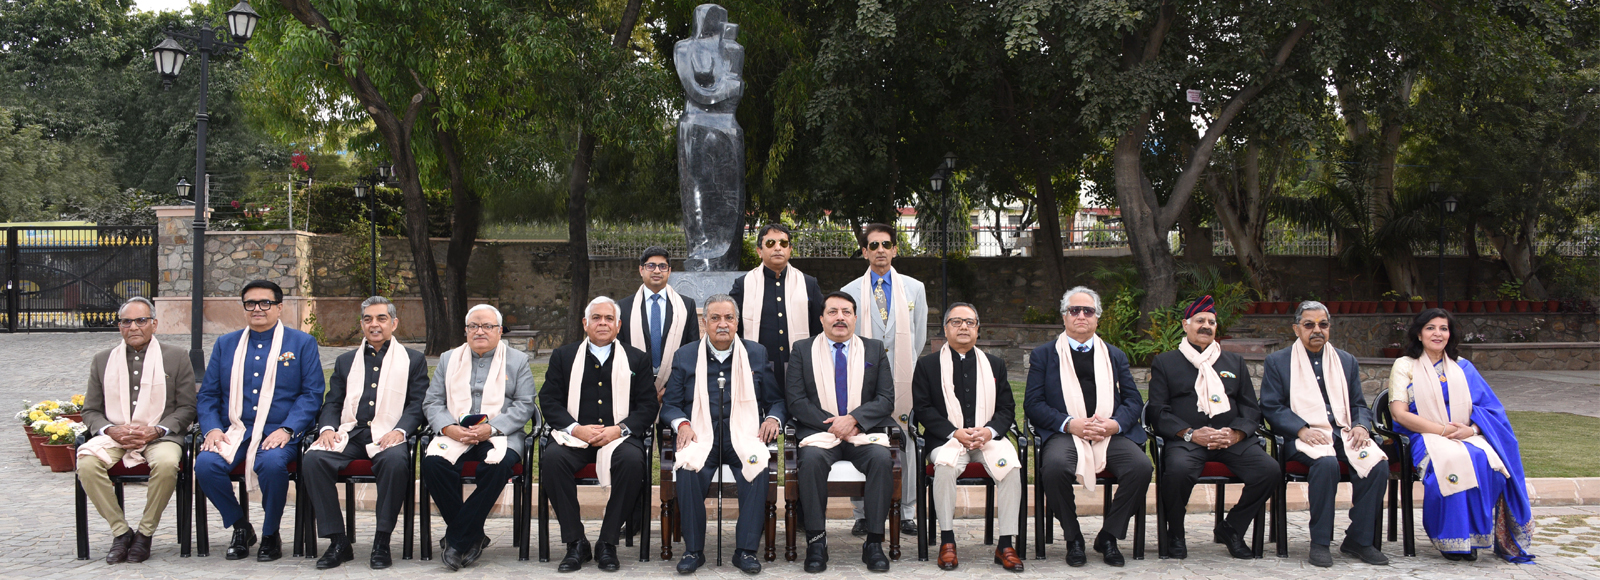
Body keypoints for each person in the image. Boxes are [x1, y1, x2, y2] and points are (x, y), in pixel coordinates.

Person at [1387, 308, 1534, 563]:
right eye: (1430, 328)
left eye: (1443, 328)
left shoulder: (1463, 367)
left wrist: (1472, 430)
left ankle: (1473, 536)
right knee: (1450, 461)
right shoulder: (1405, 365)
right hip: (1422, 435)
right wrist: (1443, 431)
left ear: (1450, 334)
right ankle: (1451, 536)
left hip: (1463, 433)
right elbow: (1399, 414)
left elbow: (1490, 409)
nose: (1437, 333)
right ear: (1419, 334)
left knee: (1488, 463)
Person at [195, 280, 324, 561]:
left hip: (279, 430)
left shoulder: (301, 343)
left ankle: (270, 533)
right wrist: (213, 428)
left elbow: (312, 394)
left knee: (272, 464)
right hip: (236, 429)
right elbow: (208, 394)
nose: (257, 309)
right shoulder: (226, 344)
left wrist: (288, 428)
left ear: (279, 307)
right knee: (205, 464)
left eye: (265, 303)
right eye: (250, 303)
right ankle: (241, 527)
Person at [1025, 287, 1150, 567]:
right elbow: (1033, 403)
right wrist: (1070, 424)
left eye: (1088, 311)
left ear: (1097, 318)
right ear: (1064, 317)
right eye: (1074, 310)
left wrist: (1114, 424)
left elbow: (1133, 400)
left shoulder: (1115, 355)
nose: (1081, 315)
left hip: (1107, 432)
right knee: (1055, 468)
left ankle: (1108, 536)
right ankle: (1074, 538)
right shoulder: (1044, 355)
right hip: (1065, 432)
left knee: (1141, 467)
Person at [1146, 295, 1278, 560]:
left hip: (1230, 441)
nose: (1206, 326)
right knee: (1177, 471)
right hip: (1188, 441)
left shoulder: (1234, 362)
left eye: (1211, 322)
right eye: (1200, 321)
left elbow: (1251, 407)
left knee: (1269, 471)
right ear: (1185, 325)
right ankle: (1176, 533)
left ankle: (1232, 528)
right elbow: (1157, 411)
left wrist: (1236, 433)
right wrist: (1190, 433)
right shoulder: (1166, 363)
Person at [660, 294, 785, 574]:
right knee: (688, 468)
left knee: (757, 465)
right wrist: (682, 424)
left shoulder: (756, 353)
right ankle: (693, 551)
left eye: (729, 318)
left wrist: (773, 418)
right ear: (705, 323)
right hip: (700, 435)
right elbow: (670, 405)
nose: (722, 324)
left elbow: (776, 400)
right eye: (715, 318)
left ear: (737, 323)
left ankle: (746, 551)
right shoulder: (686, 355)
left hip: (743, 434)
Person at [1260, 301, 1389, 567]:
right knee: (1326, 463)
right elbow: (1271, 406)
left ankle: (1359, 539)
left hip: (1342, 433)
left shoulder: (1345, 360)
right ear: (1296, 329)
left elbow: (1358, 404)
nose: (1317, 330)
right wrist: (1301, 429)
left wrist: (1361, 426)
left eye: (1323, 324)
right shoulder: (1279, 361)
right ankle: (1320, 543)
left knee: (1377, 464)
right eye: (1309, 325)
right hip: (1303, 437)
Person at [304, 296, 428, 569]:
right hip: (351, 433)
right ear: (361, 324)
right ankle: (338, 541)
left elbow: (417, 403)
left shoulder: (413, 359)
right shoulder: (345, 361)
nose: (375, 324)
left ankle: (381, 540)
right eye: (368, 319)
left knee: (395, 462)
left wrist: (400, 431)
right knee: (314, 459)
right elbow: (333, 402)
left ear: (394, 323)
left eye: (382, 318)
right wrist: (327, 429)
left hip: (388, 434)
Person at [539, 297, 660, 573]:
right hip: (575, 437)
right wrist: (575, 428)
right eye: (596, 318)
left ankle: (607, 542)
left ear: (618, 325)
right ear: (585, 323)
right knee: (552, 460)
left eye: (608, 318)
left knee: (633, 462)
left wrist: (619, 429)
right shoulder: (564, 356)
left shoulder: (637, 358)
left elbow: (648, 405)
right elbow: (549, 400)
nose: (602, 323)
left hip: (619, 438)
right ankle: (576, 542)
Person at [77, 296, 196, 564]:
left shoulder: (176, 357)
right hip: (116, 436)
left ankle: (145, 533)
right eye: (126, 321)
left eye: (141, 320)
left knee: (166, 464)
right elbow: (91, 410)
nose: (133, 327)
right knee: (86, 463)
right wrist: (111, 430)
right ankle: (121, 533)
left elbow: (187, 407)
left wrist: (158, 430)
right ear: (119, 326)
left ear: (154, 324)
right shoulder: (103, 360)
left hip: (161, 436)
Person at [421, 304, 539, 571]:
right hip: (456, 433)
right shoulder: (448, 359)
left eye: (487, 326)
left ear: (499, 331)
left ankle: (458, 539)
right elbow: (432, 402)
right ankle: (472, 535)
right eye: (473, 326)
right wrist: (448, 428)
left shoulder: (517, 360)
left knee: (497, 466)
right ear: (465, 330)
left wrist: (492, 428)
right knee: (433, 464)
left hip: (501, 434)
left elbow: (524, 404)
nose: (480, 331)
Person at [786, 292, 896, 573]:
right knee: (810, 461)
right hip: (819, 433)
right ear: (821, 318)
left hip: (862, 433)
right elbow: (796, 400)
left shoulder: (874, 349)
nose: (840, 318)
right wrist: (834, 425)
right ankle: (816, 543)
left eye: (846, 312)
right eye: (832, 312)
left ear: (855, 318)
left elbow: (885, 399)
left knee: (881, 460)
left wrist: (855, 420)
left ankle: (873, 543)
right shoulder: (802, 349)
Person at [914, 302, 1024, 572]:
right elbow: (923, 408)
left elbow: (1007, 408)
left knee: (1011, 469)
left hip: (988, 441)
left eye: (969, 322)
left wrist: (989, 431)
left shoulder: (994, 365)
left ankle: (1006, 544)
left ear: (977, 329)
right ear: (945, 329)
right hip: (946, 440)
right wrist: (954, 432)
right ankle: (947, 541)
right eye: (956, 322)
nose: (963, 327)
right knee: (944, 467)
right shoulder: (928, 365)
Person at [840, 222, 928, 537]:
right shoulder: (850, 291)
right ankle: (862, 513)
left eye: (886, 245)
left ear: (895, 249)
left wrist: (904, 367)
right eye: (873, 245)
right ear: (864, 252)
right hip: (863, 378)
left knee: (906, 439)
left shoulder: (915, 288)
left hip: (904, 378)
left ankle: (907, 512)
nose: (880, 251)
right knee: (861, 438)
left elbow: (918, 336)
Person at [730, 223, 823, 381]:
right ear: (759, 251)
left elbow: (819, 328)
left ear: (790, 250)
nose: (778, 248)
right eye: (770, 243)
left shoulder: (808, 284)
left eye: (783, 243)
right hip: (757, 367)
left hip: (799, 367)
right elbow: (734, 329)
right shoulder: (743, 284)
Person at [617, 246, 700, 400]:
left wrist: (672, 387)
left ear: (669, 271)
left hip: (675, 389)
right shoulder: (624, 307)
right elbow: (619, 350)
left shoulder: (686, 305)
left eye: (662, 266)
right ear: (641, 270)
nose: (657, 271)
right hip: (634, 389)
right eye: (651, 266)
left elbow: (692, 350)